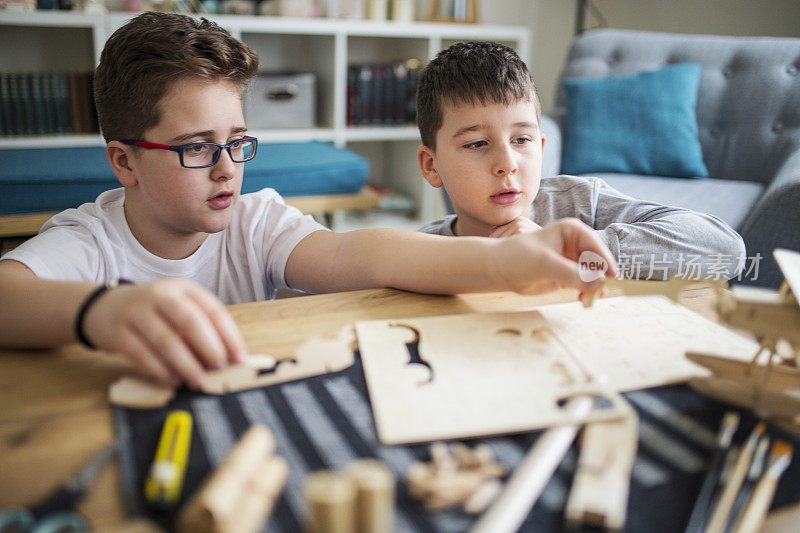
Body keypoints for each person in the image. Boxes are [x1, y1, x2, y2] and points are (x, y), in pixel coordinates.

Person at [0, 13, 615, 390]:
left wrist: (509, 261)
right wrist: (101, 314)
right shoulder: (91, 239)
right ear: (124, 160)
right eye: (195, 148)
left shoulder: (254, 220)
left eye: (238, 142)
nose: (226, 170)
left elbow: (365, 253)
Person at [415, 41, 745, 281]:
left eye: (521, 140)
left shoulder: (581, 203)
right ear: (431, 166)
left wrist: (573, 248)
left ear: (541, 148)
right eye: (476, 143)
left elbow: (727, 250)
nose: (507, 163)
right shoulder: (423, 251)